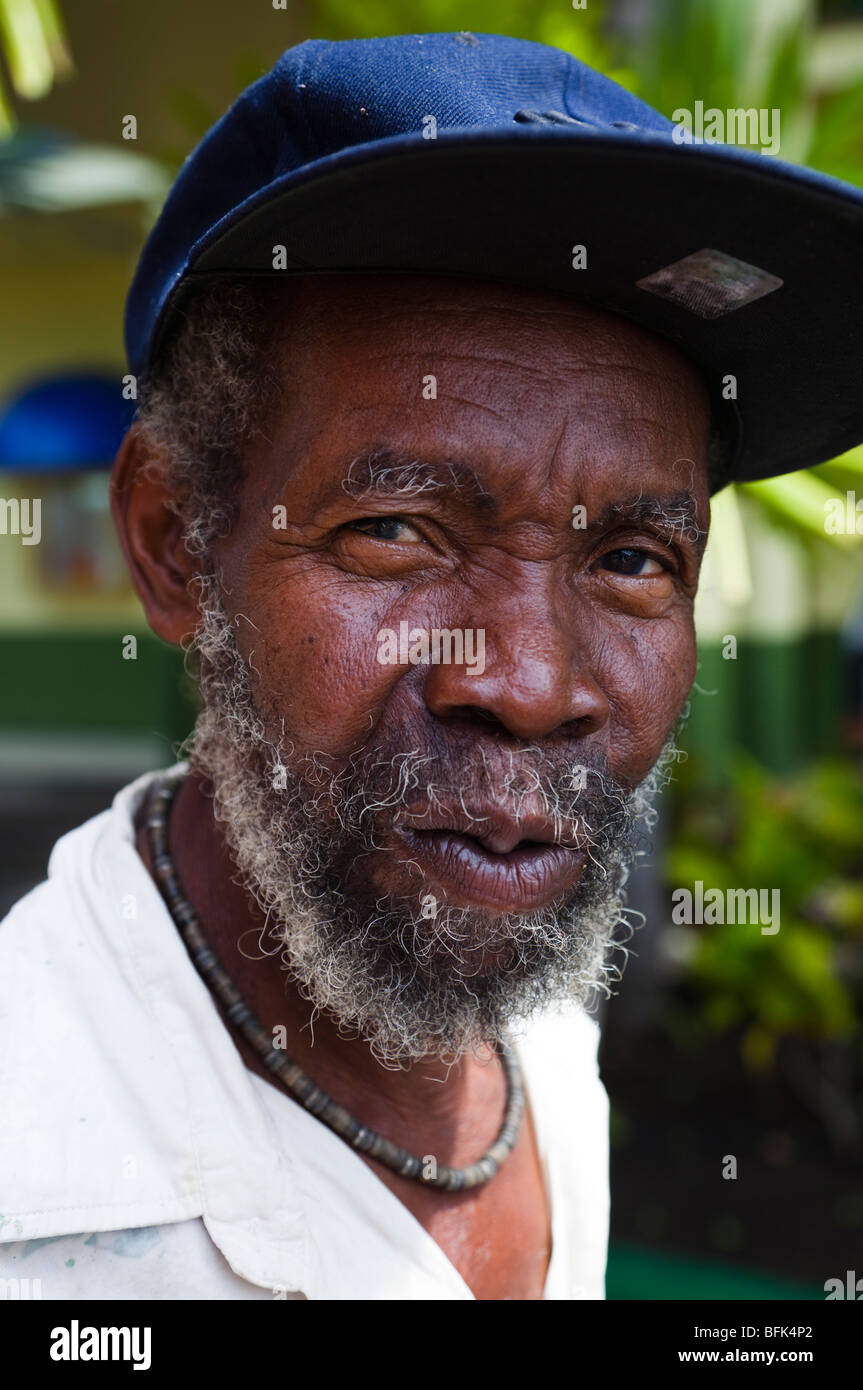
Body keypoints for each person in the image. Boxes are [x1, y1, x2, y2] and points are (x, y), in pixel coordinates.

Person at [2, 31, 862, 1302]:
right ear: (177, 543)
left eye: (629, 556)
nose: (525, 681)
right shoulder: (45, 1217)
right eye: (396, 532)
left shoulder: (545, 1043)